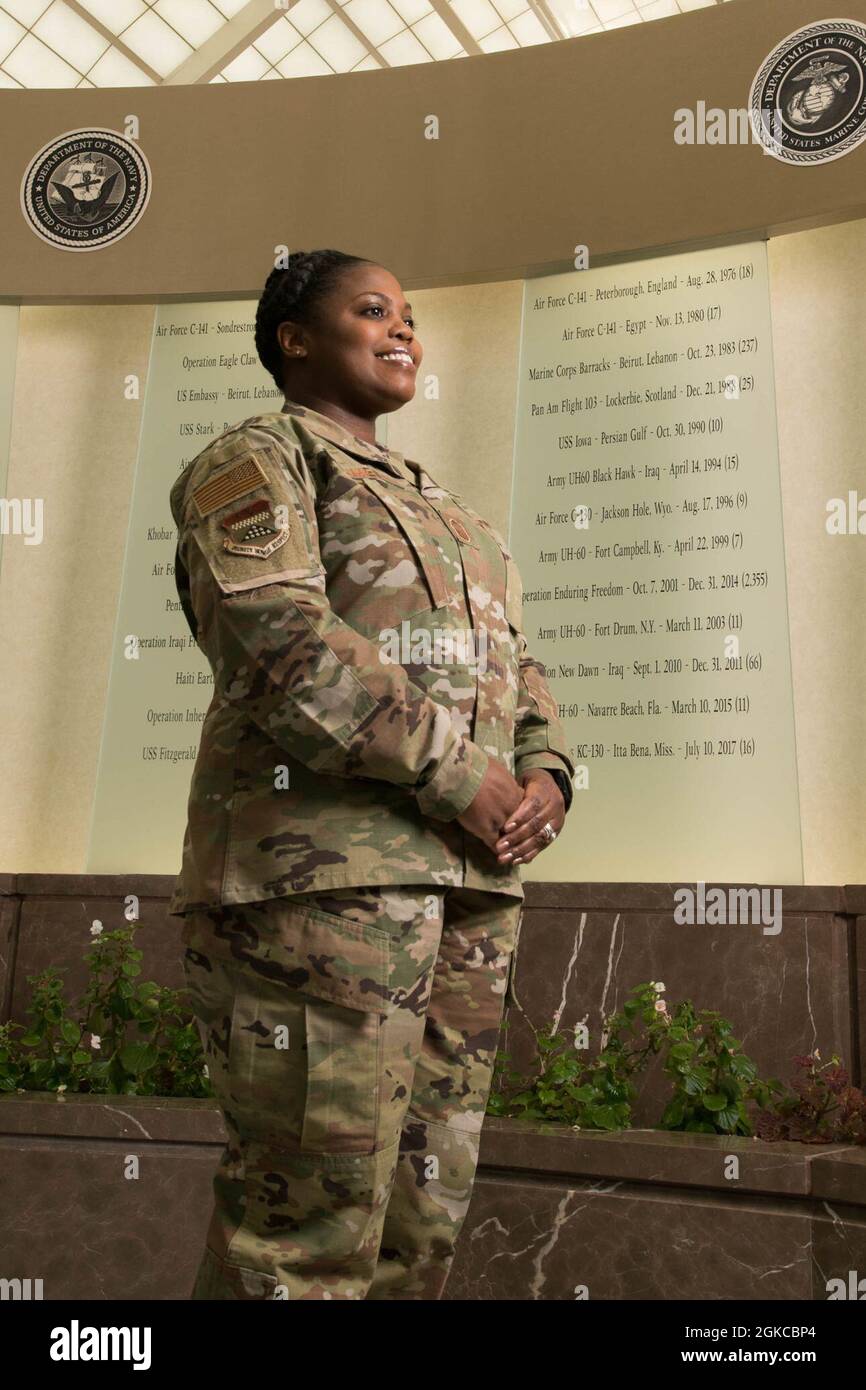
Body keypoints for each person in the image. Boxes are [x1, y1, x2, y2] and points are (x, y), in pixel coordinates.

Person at [168, 248, 575, 1300]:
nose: (402, 330)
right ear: (294, 338)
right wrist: (460, 776)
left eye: (408, 315)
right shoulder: (258, 462)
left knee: (417, 1225)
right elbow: (280, 647)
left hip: (469, 887)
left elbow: (512, 658)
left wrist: (546, 772)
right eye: (370, 310)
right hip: (324, 890)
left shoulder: (452, 513)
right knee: (307, 1228)